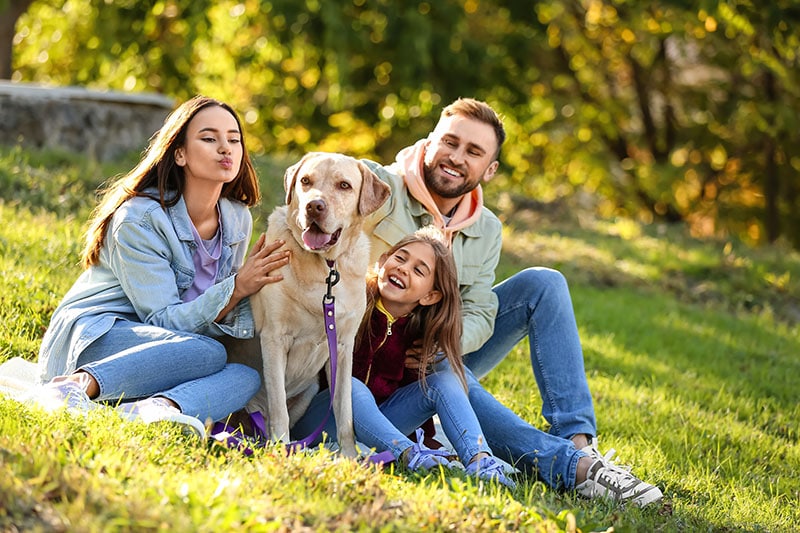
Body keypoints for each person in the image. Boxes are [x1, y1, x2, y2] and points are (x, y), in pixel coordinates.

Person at [354, 97, 663, 506]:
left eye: (474, 152)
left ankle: (579, 443)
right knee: (446, 366)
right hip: (366, 348)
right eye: (450, 142)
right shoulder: (377, 187)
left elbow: (481, 311)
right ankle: (573, 469)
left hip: (431, 356)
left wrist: (438, 341)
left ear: (490, 169)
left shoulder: (486, 229)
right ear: (428, 143)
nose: (456, 157)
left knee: (544, 284)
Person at [27, 96, 289, 437]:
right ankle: (75, 385)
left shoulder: (237, 219)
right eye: (209, 138)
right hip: (98, 335)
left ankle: (155, 410)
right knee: (207, 353)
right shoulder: (138, 219)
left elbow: (215, 315)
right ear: (179, 153)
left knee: (247, 376)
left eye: (234, 139)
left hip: (174, 350)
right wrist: (238, 286)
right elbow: (163, 319)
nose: (226, 148)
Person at [292, 227, 514, 487]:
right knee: (350, 387)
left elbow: (415, 394)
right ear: (383, 261)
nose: (403, 269)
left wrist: (429, 438)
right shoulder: (347, 300)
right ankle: (408, 455)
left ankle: (480, 462)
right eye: (400, 258)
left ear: (430, 296)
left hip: (378, 428)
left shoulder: (420, 334)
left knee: (445, 381)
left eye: (419, 270)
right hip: (319, 421)